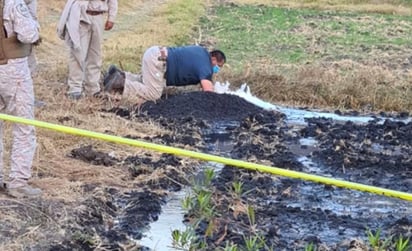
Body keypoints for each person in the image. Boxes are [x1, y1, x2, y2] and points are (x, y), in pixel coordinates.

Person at [0, 0, 42, 198]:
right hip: (12, 69)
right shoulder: (13, 3)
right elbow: (28, 34)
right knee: (24, 125)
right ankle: (18, 182)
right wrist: (35, 26)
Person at [103, 45, 226, 105]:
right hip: (158, 62)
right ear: (213, 59)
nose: (216, 69)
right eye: (218, 66)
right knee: (154, 94)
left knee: (146, 81)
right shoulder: (206, 66)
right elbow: (209, 93)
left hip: (155, 53)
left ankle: (119, 74)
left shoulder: (201, 51)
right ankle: (120, 83)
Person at [57, 0, 118, 100]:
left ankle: (93, 88)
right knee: (78, 53)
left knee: (95, 55)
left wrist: (111, 18)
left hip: (98, 16)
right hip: (81, 15)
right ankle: (75, 89)